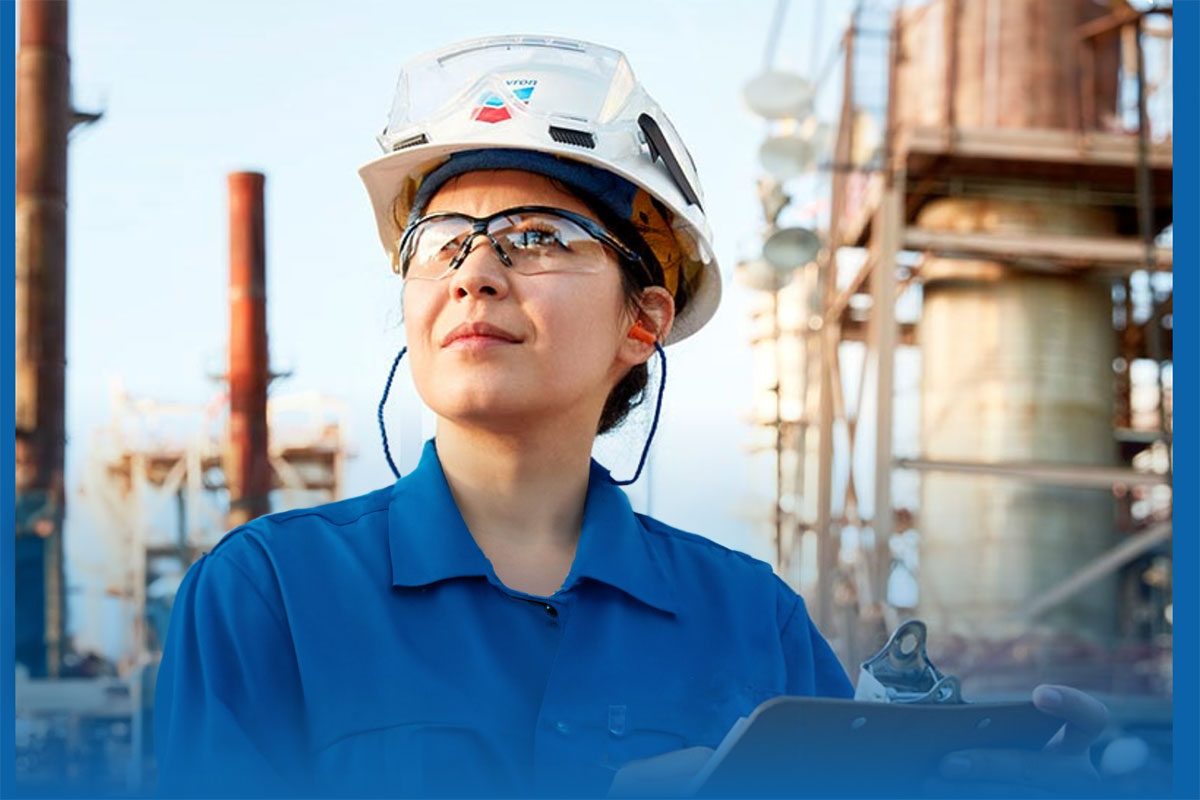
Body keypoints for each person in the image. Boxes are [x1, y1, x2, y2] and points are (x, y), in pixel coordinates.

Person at [154, 35, 1107, 798]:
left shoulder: (753, 623)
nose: (473, 272)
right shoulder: (269, 598)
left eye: (536, 238)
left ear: (642, 321)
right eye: (439, 241)